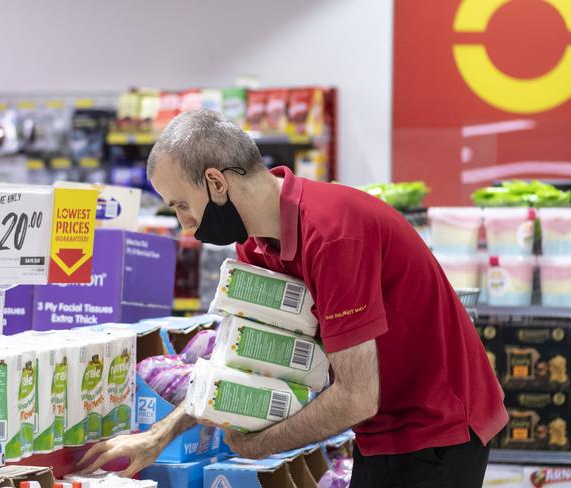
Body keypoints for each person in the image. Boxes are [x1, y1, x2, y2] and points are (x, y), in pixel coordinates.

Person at [78, 109, 507, 487]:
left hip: (439, 424)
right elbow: (239, 363)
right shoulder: (256, 244)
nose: (185, 225)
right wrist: (159, 437)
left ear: (215, 182)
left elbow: (358, 396)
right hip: (381, 426)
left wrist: (263, 445)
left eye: (181, 205)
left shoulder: (334, 235)